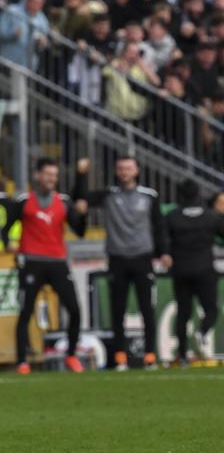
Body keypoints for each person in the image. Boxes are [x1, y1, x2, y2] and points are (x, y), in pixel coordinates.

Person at [74, 156, 170, 371]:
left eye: (128, 168)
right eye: (121, 168)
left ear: (136, 170)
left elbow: (158, 225)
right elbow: (81, 200)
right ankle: (120, 357)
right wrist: (81, 175)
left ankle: (150, 356)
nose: (124, 172)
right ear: (116, 172)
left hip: (143, 258)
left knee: (147, 309)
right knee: (118, 310)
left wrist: (164, 252)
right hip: (117, 258)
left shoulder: (149, 195)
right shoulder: (109, 194)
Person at [0, 158, 88, 374]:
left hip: (58, 262)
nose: (51, 179)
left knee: (75, 310)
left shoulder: (64, 202)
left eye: (54, 175)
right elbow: (5, 228)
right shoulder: (23, 201)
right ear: (37, 176)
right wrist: (9, 243)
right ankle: (22, 361)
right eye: (48, 174)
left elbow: (80, 231)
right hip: (32, 263)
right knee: (26, 311)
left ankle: (71, 355)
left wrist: (82, 215)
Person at [164, 179, 224, 366]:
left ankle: (181, 355)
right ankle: (202, 332)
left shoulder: (172, 216)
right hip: (205, 269)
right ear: (198, 195)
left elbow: (163, 240)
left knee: (183, 313)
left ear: (179, 195)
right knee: (211, 308)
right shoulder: (209, 216)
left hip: (181, 269)